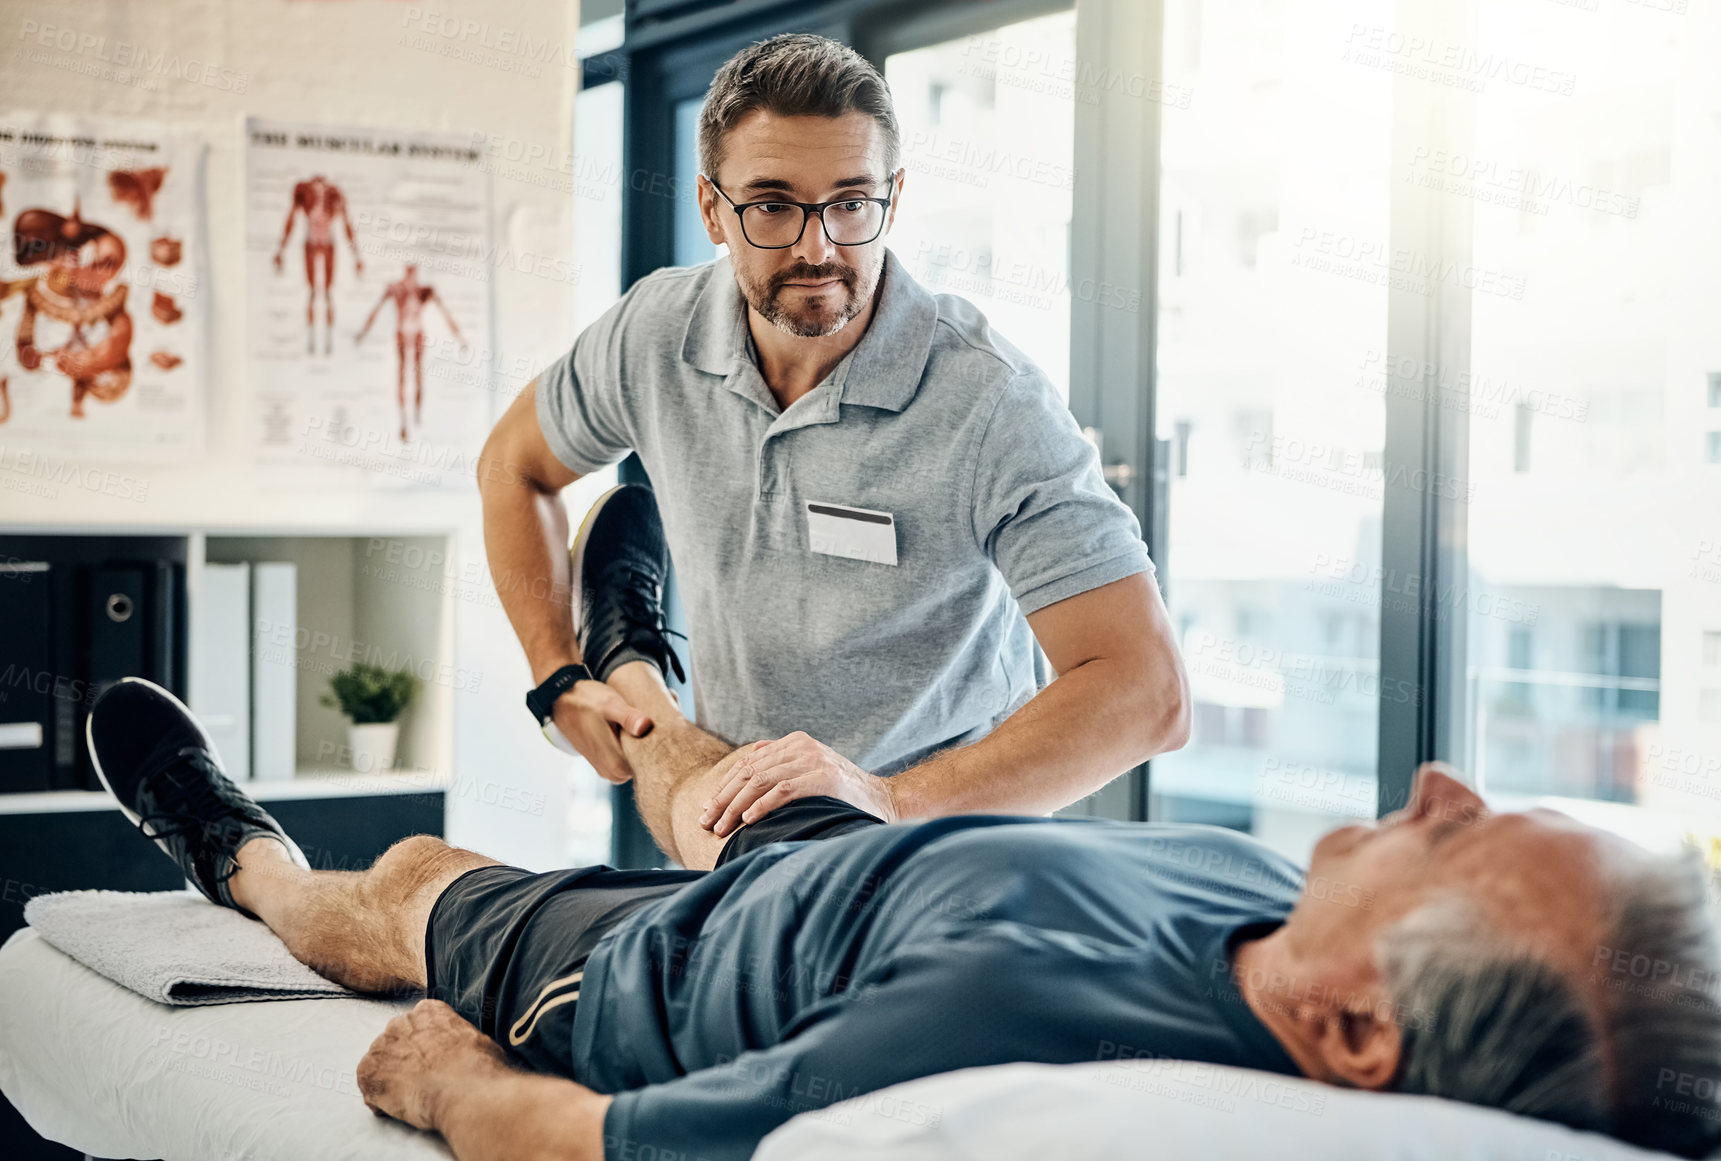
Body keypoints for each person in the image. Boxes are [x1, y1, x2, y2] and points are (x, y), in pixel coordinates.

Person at [86, 676, 1721, 1161]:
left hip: (639, 969)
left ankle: (231, 846)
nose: (1438, 778)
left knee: (414, 878)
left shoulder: (1012, 1047)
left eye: (1464, 837)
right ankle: (623, 667)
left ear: (1361, 1030)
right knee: (705, 756)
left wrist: (443, 1083)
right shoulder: (1274, 902)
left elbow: (600, 1144)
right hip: (842, 866)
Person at [477, 33, 1189, 855]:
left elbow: (1147, 691)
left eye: (851, 202)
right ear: (712, 208)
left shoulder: (989, 400)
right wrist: (554, 672)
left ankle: (626, 649)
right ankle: (620, 660)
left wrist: (883, 797)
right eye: (773, 205)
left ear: (893, 197)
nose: (818, 248)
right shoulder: (653, 334)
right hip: (734, 817)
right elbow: (513, 465)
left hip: (936, 848)